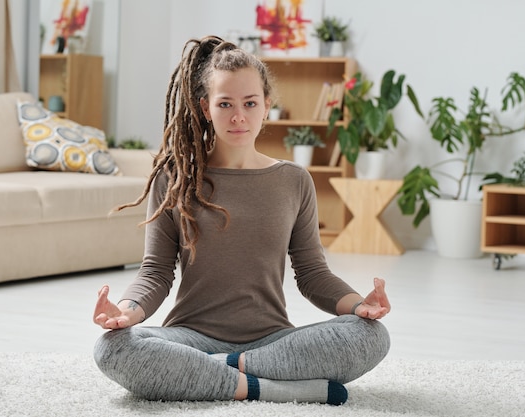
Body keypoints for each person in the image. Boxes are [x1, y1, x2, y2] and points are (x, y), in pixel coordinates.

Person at [93, 35, 391, 406]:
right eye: (225, 104)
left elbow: (313, 273)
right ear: (205, 108)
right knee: (112, 349)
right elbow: (156, 271)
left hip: (271, 340)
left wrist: (360, 306)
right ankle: (273, 388)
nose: (239, 116)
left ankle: (220, 371)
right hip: (190, 338)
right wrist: (124, 314)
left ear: (266, 105)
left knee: (372, 335)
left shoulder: (294, 180)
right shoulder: (175, 177)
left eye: (250, 103)